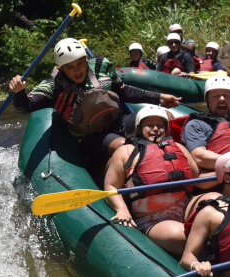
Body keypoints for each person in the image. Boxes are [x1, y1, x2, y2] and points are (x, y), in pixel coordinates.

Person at [9, 38, 181, 180]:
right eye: (70, 67)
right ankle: (138, 182)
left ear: (86, 60)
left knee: (164, 116)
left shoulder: (101, 66)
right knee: (121, 145)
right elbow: (25, 106)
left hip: (119, 121)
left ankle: (174, 162)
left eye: (80, 63)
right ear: (61, 69)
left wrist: (158, 98)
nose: (77, 70)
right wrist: (19, 92)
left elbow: (122, 91)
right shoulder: (53, 86)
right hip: (89, 137)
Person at [104, 105, 199, 255]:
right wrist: (121, 208)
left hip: (185, 208)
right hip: (153, 220)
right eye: (149, 125)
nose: (155, 129)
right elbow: (110, 185)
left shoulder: (179, 148)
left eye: (160, 126)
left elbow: (196, 176)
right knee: (183, 235)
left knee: (215, 202)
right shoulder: (126, 152)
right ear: (139, 128)